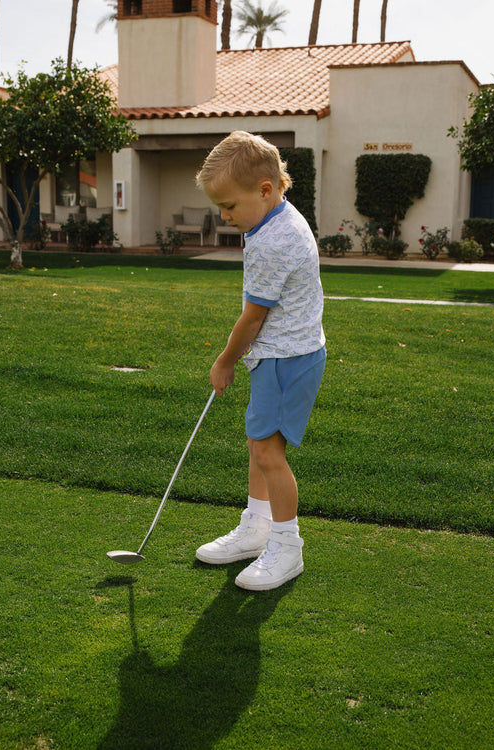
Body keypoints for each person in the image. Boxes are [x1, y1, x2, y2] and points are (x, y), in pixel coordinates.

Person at [194, 131, 326, 591]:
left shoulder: (272, 241)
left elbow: (252, 318)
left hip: (289, 358)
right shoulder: (273, 220)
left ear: (265, 189)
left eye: (229, 206)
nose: (225, 216)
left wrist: (225, 361)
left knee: (270, 452)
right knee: (258, 444)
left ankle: (287, 547)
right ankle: (257, 527)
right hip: (280, 354)